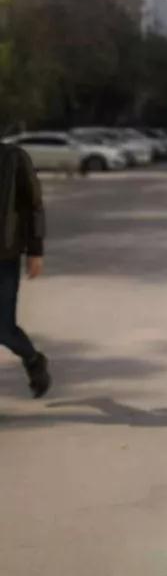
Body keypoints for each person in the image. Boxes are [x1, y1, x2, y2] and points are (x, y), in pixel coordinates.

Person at [0, 141, 51, 397]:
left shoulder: (14, 158)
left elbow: (34, 206)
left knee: (3, 328)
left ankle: (33, 359)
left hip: (4, 256)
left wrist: (35, 250)